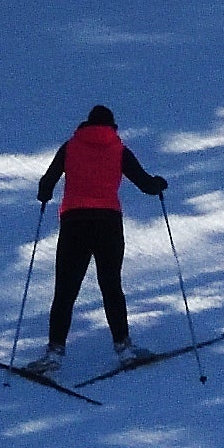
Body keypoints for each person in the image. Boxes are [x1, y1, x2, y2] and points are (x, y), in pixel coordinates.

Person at [39, 104, 169, 357]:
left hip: (74, 222)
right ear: (112, 126)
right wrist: (159, 184)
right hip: (108, 223)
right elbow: (145, 184)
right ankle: (123, 346)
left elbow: (47, 182)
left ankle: (54, 351)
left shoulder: (70, 147)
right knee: (111, 285)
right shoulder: (119, 150)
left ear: (86, 124)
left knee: (66, 289)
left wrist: (44, 194)